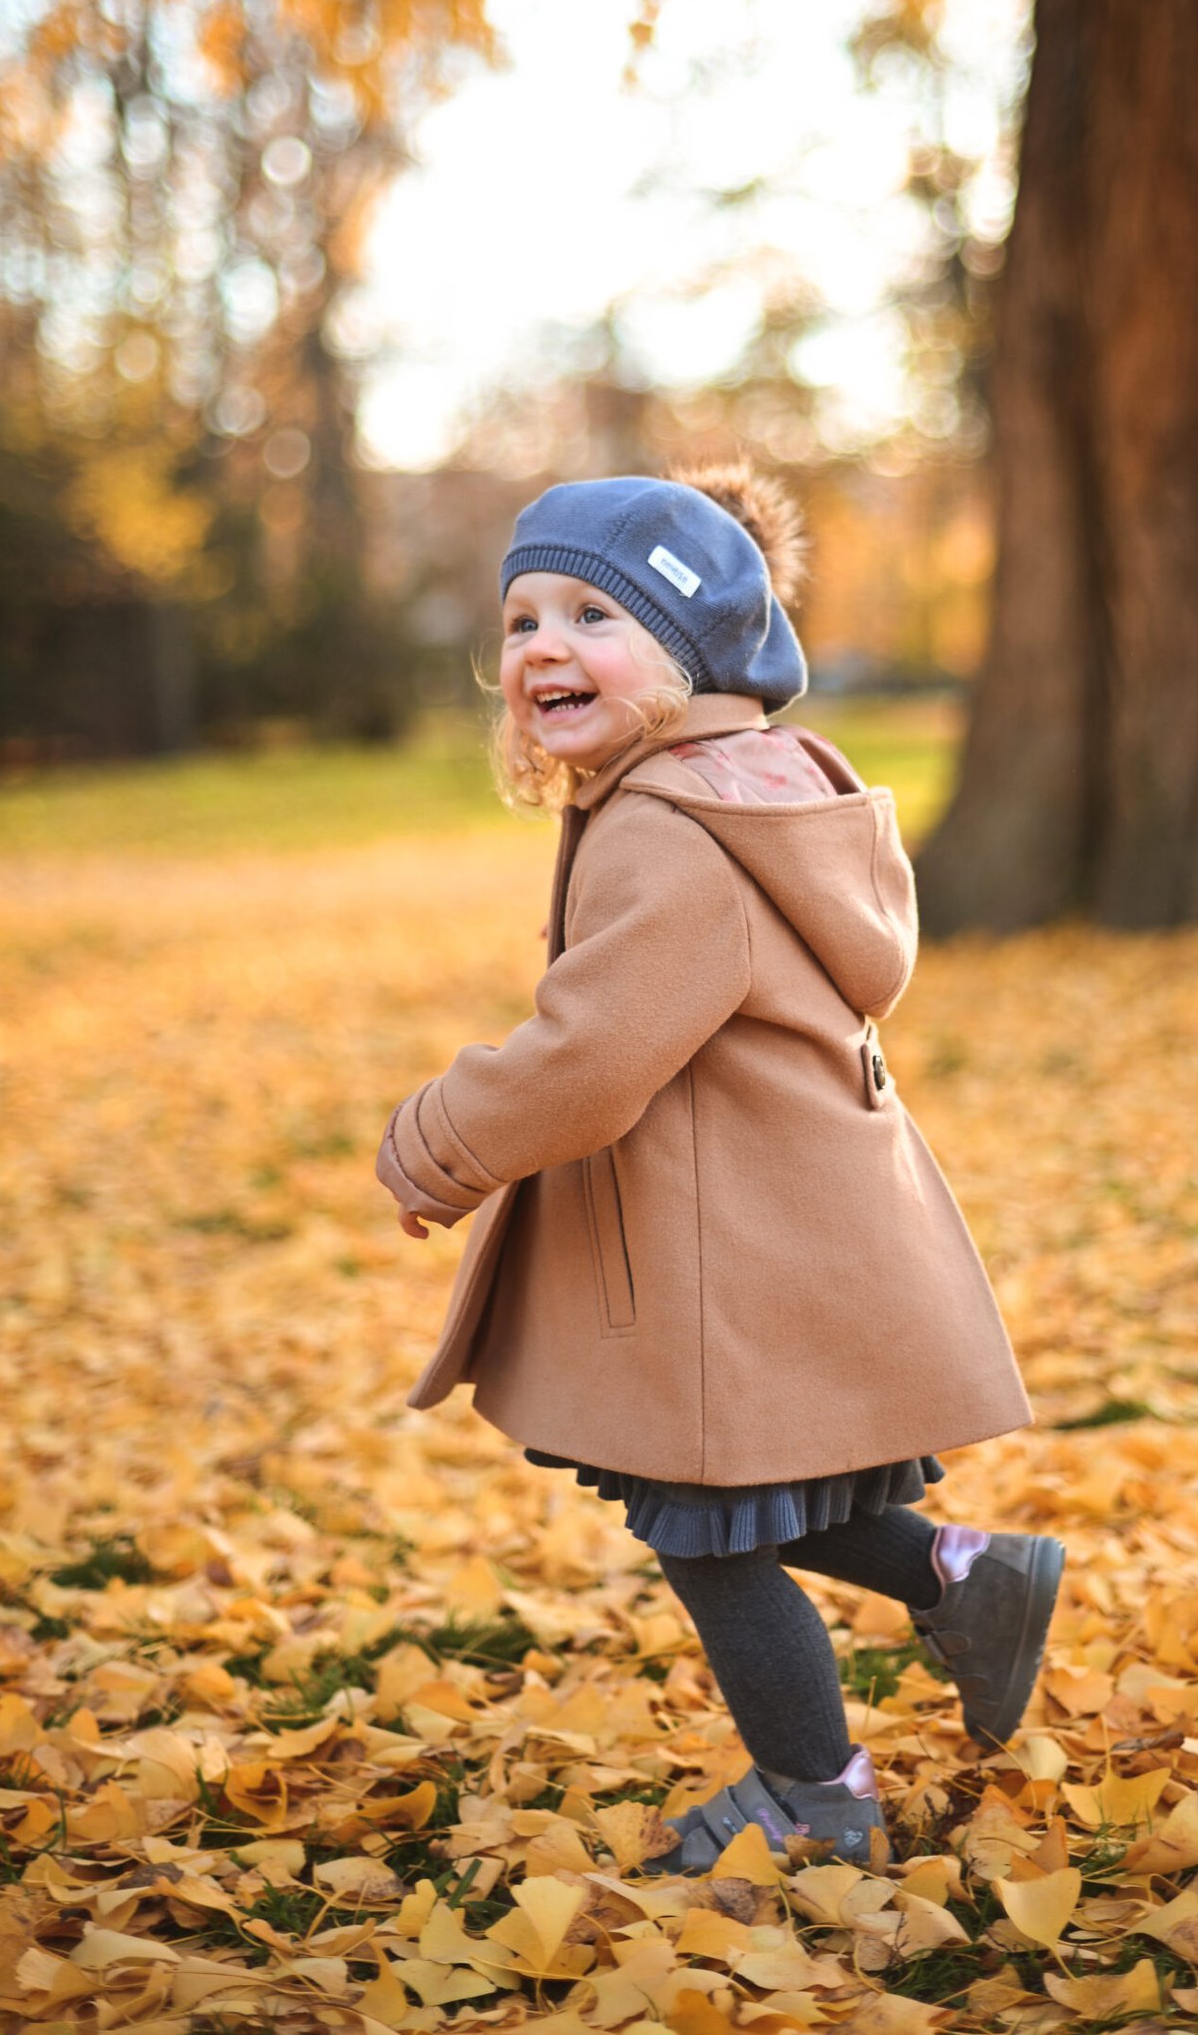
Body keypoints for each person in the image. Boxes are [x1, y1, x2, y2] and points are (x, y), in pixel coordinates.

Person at [376, 463, 1062, 1871]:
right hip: (778, 1222)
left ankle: (816, 1793)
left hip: (721, 1253)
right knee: (771, 1491)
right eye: (521, 620)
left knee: (711, 1533)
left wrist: (439, 1135)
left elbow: (590, 1056)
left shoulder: (669, 831)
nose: (544, 646)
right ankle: (964, 1574)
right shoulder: (757, 781)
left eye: (592, 614)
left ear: (690, 657)